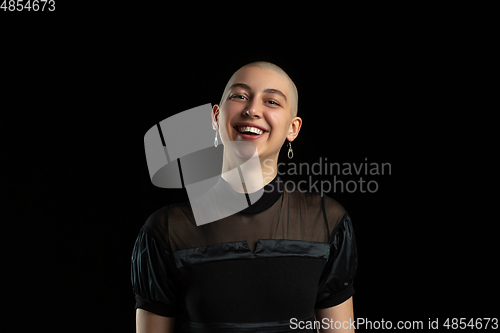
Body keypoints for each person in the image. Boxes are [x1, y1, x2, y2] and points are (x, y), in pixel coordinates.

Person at [132, 61, 358, 332]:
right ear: (215, 117)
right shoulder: (166, 230)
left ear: (293, 129)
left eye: (272, 101)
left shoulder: (327, 222)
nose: (252, 110)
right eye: (239, 96)